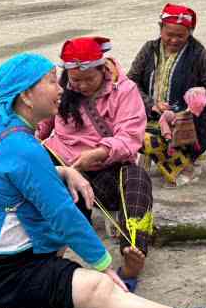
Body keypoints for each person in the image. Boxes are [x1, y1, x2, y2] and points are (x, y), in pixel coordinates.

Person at [0, 52, 206, 308]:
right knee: (99, 289)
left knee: (75, 190)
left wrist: (65, 172)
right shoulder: (24, 148)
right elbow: (62, 215)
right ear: (25, 96)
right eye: (51, 81)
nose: (61, 88)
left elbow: (9, 176)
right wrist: (103, 265)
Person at [38, 36, 155, 290]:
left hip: (105, 169)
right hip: (64, 164)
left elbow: (130, 137)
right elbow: (41, 125)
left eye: (88, 79)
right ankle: (44, 255)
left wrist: (100, 152)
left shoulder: (125, 91)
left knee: (137, 178)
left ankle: (133, 252)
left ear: (103, 69)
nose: (80, 86)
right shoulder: (60, 91)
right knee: (34, 173)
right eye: (75, 80)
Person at [127, 3, 206, 185]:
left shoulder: (199, 54)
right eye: (169, 35)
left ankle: (183, 164)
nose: (174, 40)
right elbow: (131, 82)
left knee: (152, 140)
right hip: (150, 114)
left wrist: (199, 96)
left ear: (190, 33)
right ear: (160, 29)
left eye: (181, 35)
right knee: (136, 136)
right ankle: (164, 161)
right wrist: (152, 104)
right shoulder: (149, 49)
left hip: (185, 121)